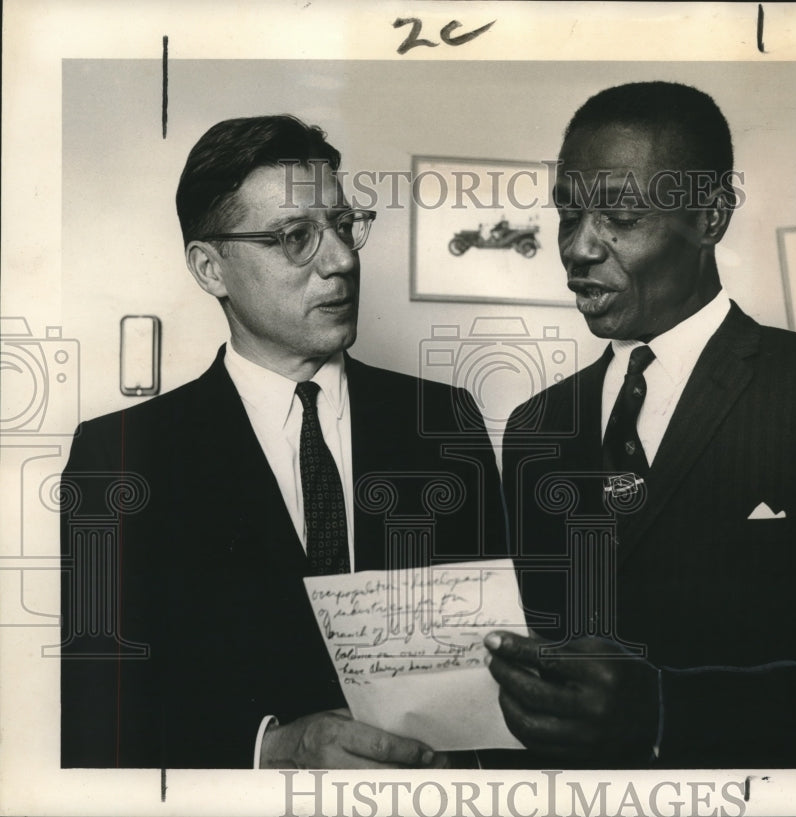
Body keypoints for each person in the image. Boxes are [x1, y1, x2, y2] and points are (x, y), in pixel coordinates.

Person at [485, 82, 796, 768]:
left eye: (619, 215)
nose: (577, 248)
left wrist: (664, 710)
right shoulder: (536, 426)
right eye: (567, 214)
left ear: (711, 216)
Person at [60, 115, 505, 769]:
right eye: (296, 237)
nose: (343, 259)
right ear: (211, 268)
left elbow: (493, 672)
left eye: (345, 226)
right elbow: (99, 716)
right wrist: (268, 747)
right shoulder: (119, 457)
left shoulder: (447, 422)